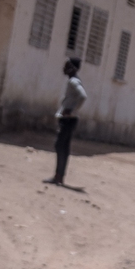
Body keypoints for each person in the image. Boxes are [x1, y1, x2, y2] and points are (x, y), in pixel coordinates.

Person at [49, 57, 86, 186]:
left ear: (73, 68)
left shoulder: (73, 82)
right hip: (71, 119)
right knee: (64, 147)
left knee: (60, 146)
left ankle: (58, 176)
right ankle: (59, 176)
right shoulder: (75, 80)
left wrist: (71, 111)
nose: (64, 68)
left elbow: (82, 96)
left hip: (68, 119)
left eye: (67, 66)